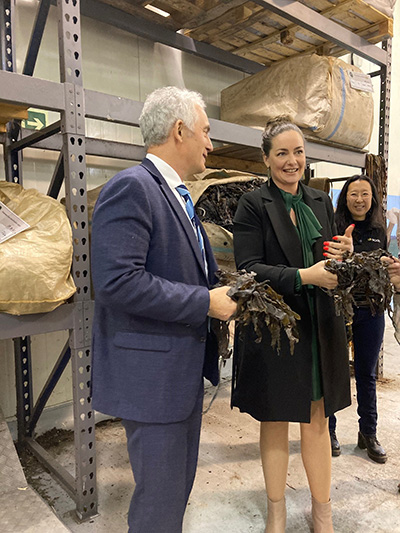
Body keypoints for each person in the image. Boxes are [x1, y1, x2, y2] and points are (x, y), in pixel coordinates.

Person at [90, 86, 237, 533]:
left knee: (173, 493)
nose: (211, 144)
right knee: (159, 502)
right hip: (153, 382)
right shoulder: (132, 188)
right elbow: (117, 282)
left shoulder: (177, 195)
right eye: (206, 131)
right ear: (179, 131)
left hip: (177, 374)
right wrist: (204, 302)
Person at [232, 116, 353, 533]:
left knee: (317, 419)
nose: (292, 161)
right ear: (266, 159)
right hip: (277, 329)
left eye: (298, 152)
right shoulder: (253, 204)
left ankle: (323, 513)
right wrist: (305, 276)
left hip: (319, 325)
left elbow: (331, 260)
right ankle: (276, 511)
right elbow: (249, 269)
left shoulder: (320, 202)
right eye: (282, 153)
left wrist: (343, 252)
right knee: (276, 418)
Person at [329, 175, 387, 464]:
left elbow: (381, 264)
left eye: (365, 194)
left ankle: (368, 433)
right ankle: (329, 432)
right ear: (345, 198)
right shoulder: (335, 226)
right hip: (340, 308)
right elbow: (330, 264)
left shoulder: (378, 228)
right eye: (354, 194)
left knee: (367, 374)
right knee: (335, 371)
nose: (360, 199)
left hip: (371, 310)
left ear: (372, 198)